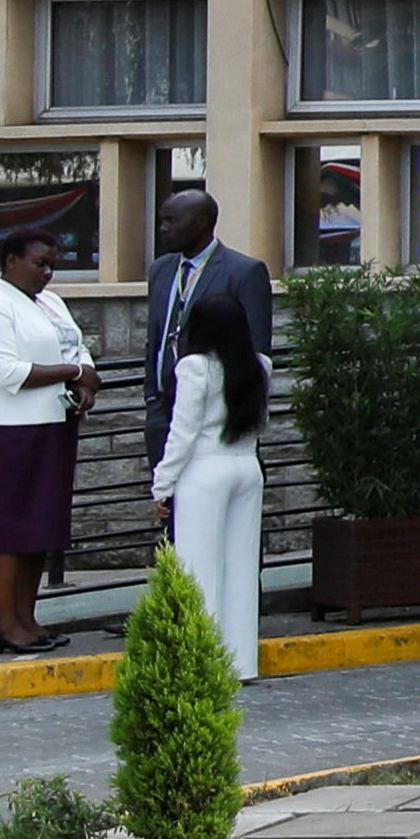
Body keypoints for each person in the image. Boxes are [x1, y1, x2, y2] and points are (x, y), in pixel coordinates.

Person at [0, 226, 99, 655]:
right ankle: (6, 623)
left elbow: (75, 346)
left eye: (52, 266)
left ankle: (28, 617)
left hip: (54, 424)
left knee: (41, 525)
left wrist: (83, 376)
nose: (47, 273)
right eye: (39, 264)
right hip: (11, 431)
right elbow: (8, 373)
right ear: (11, 262)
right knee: (9, 527)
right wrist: (73, 374)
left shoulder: (51, 303)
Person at [149, 282, 271, 680]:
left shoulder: (194, 367)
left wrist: (162, 485)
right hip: (246, 466)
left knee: (198, 569)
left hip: (204, 470)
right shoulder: (259, 365)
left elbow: (182, 434)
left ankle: (200, 663)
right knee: (240, 566)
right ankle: (240, 663)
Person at [140, 187, 275, 439]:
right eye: (162, 221)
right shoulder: (160, 270)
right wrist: (151, 395)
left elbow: (256, 347)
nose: (163, 228)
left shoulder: (244, 272)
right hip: (162, 410)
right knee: (164, 478)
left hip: (215, 414)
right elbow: (155, 337)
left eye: (172, 220)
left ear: (202, 222)